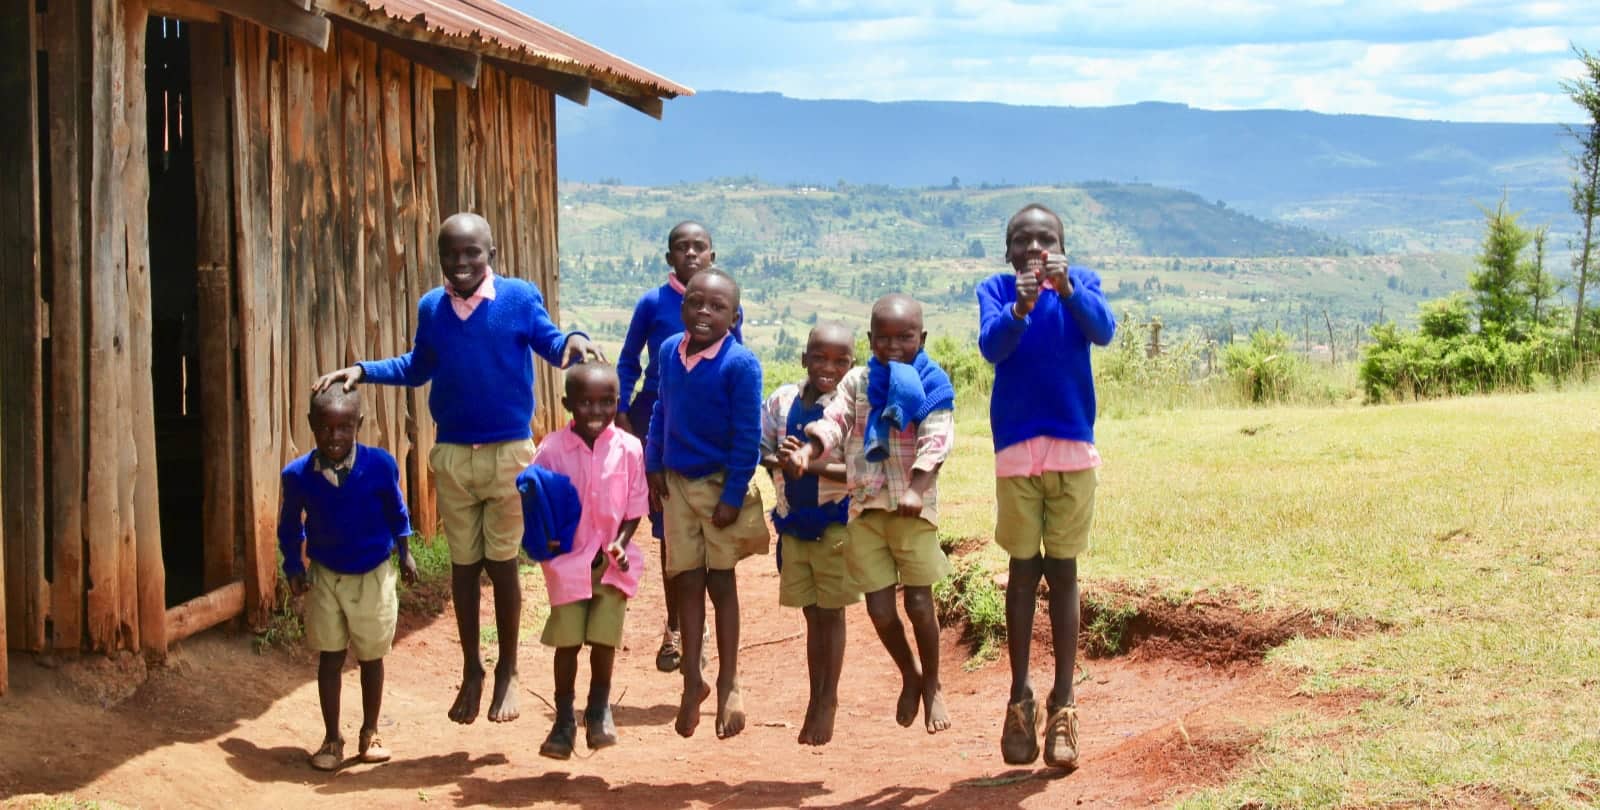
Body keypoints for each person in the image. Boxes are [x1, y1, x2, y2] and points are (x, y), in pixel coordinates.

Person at [312, 212, 601, 726]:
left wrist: (573, 340)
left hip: (509, 454)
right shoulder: (433, 308)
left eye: (473, 253)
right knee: (464, 568)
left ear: (491, 253)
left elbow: (553, 342)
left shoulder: (516, 298)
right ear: (440, 258)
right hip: (452, 457)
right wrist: (363, 370)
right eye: (453, 254)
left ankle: (509, 667)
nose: (463, 263)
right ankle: (473, 668)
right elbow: (418, 366)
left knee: (503, 563)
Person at [977, 203, 1116, 770]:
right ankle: (1019, 696)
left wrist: (1067, 291)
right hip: (1016, 449)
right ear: (1008, 252)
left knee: (1063, 570)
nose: (1034, 248)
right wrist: (1021, 306)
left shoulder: (1081, 283)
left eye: (1046, 239)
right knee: (1020, 570)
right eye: (1022, 241)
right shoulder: (995, 290)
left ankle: (1064, 702)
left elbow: (1103, 331)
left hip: (1071, 447)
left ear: (1063, 247)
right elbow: (993, 347)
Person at [783, 294, 957, 735]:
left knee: (919, 602)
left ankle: (933, 685)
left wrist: (918, 489)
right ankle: (910, 673)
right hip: (864, 507)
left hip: (911, 509)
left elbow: (937, 441)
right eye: (883, 338)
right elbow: (836, 419)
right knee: (880, 610)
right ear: (870, 339)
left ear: (923, 337)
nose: (894, 346)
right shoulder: (858, 383)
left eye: (905, 337)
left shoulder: (931, 383)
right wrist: (810, 448)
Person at [645, 268, 769, 739]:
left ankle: (729, 681)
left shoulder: (741, 364)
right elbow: (660, 408)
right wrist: (653, 461)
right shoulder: (668, 352)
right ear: (682, 307)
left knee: (722, 584)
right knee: (686, 582)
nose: (703, 312)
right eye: (696, 302)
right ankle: (692, 678)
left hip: (719, 491)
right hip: (676, 486)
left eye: (717, 307)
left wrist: (734, 494)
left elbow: (747, 437)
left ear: (734, 317)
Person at [616, 220, 742, 673]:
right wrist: (622, 407)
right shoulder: (653, 304)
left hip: (708, 427)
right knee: (670, 529)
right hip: (661, 417)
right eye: (681, 248)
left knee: (712, 528)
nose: (691, 254)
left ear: (712, 254)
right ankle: (676, 625)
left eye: (700, 247)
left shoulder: (726, 301)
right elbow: (629, 359)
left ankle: (703, 630)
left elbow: (736, 361)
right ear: (669, 258)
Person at [278, 386, 418, 771]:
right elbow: (290, 526)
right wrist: (294, 566)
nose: (334, 437)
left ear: (358, 425)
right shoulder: (299, 475)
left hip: (373, 573)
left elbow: (397, 511)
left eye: (344, 428)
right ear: (311, 426)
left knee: (371, 656)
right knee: (330, 656)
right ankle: (331, 737)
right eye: (325, 428)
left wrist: (405, 554)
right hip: (325, 577)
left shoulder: (379, 465)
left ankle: (370, 732)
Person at [526, 363, 647, 759]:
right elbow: (536, 500)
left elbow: (634, 507)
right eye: (586, 403)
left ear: (617, 403)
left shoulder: (629, 448)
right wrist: (545, 542)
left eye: (606, 403)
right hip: (567, 563)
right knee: (568, 642)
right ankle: (563, 719)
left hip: (613, 563)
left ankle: (598, 710)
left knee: (603, 640)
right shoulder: (552, 450)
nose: (596, 412)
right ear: (567, 404)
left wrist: (621, 543)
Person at [759, 323, 858, 746]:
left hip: (835, 522)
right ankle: (815, 694)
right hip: (793, 524)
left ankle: (828, 701)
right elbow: (759, 446)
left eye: (840, 361)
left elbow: (859, 472)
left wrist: (807, 464)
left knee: (831, 613)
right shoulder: (781, 401)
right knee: (811, 614)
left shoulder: (852, 407)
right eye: (819, 358)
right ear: (804, 359)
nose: (828, 368)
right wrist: (776, 460)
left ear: (853, 367)